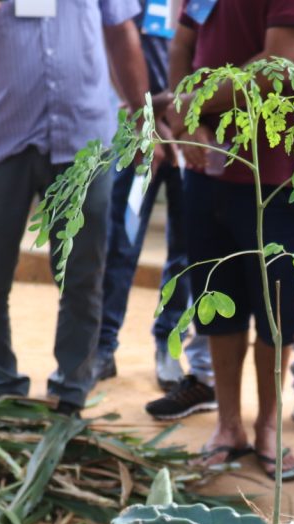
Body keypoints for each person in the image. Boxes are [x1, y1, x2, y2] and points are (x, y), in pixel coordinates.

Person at [0, 0, 149, 413]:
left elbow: (121, 31)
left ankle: (70, 391)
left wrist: (142, 113)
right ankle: (3, 387)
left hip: (83, 140)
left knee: (83, 276)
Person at [166, 0, 294, 481]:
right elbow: (182, 44)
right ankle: (228, 426)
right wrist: (187, 119)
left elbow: (273, 71)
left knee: (275, 311)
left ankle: (268, 428)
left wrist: (191, 102)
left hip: (274, 176)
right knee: (218, 299)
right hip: (207, 170)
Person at [96, 11, 210, 395]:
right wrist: (148, 122)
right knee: (121, 241)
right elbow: (115, 42)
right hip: (139, 136)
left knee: (186, 248)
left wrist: (181, 124)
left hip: (192, 134)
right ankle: (102, 344)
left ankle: (169, 343)